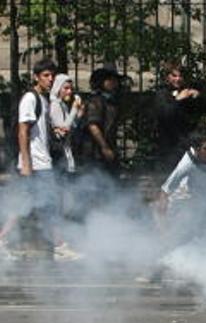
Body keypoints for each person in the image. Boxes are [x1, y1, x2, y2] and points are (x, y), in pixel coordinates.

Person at [0, 58, 76, 260]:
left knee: (26, 204)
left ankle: (2, 240)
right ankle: (59, 246)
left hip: (41, 162)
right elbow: (22, 131)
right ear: (36, 77)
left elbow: (39, 132)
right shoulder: (30, 99)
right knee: (48, 203)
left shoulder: (42, 100)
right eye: (46, 75)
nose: (50, 79)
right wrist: (26, 162)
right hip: (36, 164)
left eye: (52, 75)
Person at [154, 61, 203, 171]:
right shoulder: (162, 93)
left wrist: (197, 97)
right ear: (167, 77)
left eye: (180, 76)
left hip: (186, 142)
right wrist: (178, 100)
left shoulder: (187, 92)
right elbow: (164, 114)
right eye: (174, 76)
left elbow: (196, 114)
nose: (178, 79)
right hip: (168, 144)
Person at [81, 63, 125, 179]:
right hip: (95, 153)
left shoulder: (111, 101)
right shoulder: (96, 101)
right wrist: (104, 147)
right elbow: (93, 125)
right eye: (110, 79)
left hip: (107, 150)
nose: (114, 82)